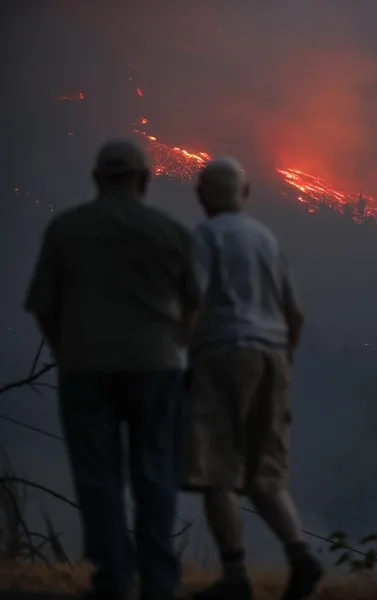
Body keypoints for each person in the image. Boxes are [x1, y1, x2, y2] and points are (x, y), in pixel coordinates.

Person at [24, 138, 201, 600]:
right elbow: (195, 305)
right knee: (155, 470)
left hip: (87, 367)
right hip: (156, 366)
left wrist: (68, 349)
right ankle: (159, 579)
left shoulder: (68, 230)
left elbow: (42, 303)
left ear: (98, 179)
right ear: (145, 179)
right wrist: (175, 345)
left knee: (98, 473)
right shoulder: (169, 231)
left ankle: (112, 577)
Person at [181, 157, 323, 600]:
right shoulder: (266, 238)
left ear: (202, 194)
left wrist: (180, 358)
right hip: (273, 357)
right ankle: (301, 556)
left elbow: (194, 302)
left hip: (224, 354)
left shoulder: (205, 236)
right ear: (245, 194)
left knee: (216, 471)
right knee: (266, 471)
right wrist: (283, 367)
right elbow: (295, 315)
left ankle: (235, 577)